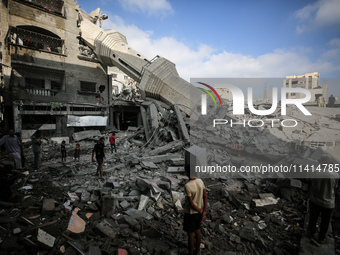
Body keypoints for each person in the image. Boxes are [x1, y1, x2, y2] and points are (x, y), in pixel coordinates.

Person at [307, 155, 339, 244]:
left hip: (314, 200)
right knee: (325, 222)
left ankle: (311, 232)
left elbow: (308, 181)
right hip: (328, 203)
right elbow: (335, 187)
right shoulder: (335, 175)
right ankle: (321, 238)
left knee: (313, 218)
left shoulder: (313, 171)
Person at [183, 166, 208, 255]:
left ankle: (190, 253)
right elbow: (205, 197)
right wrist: (203, 211)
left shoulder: (187, 186)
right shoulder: (200, 181)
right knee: (198, 231)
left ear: (187, 173)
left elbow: (191, 203)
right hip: (199, 213)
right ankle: (197, 251)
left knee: (190, 234)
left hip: (191, 213)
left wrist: (199, 210)